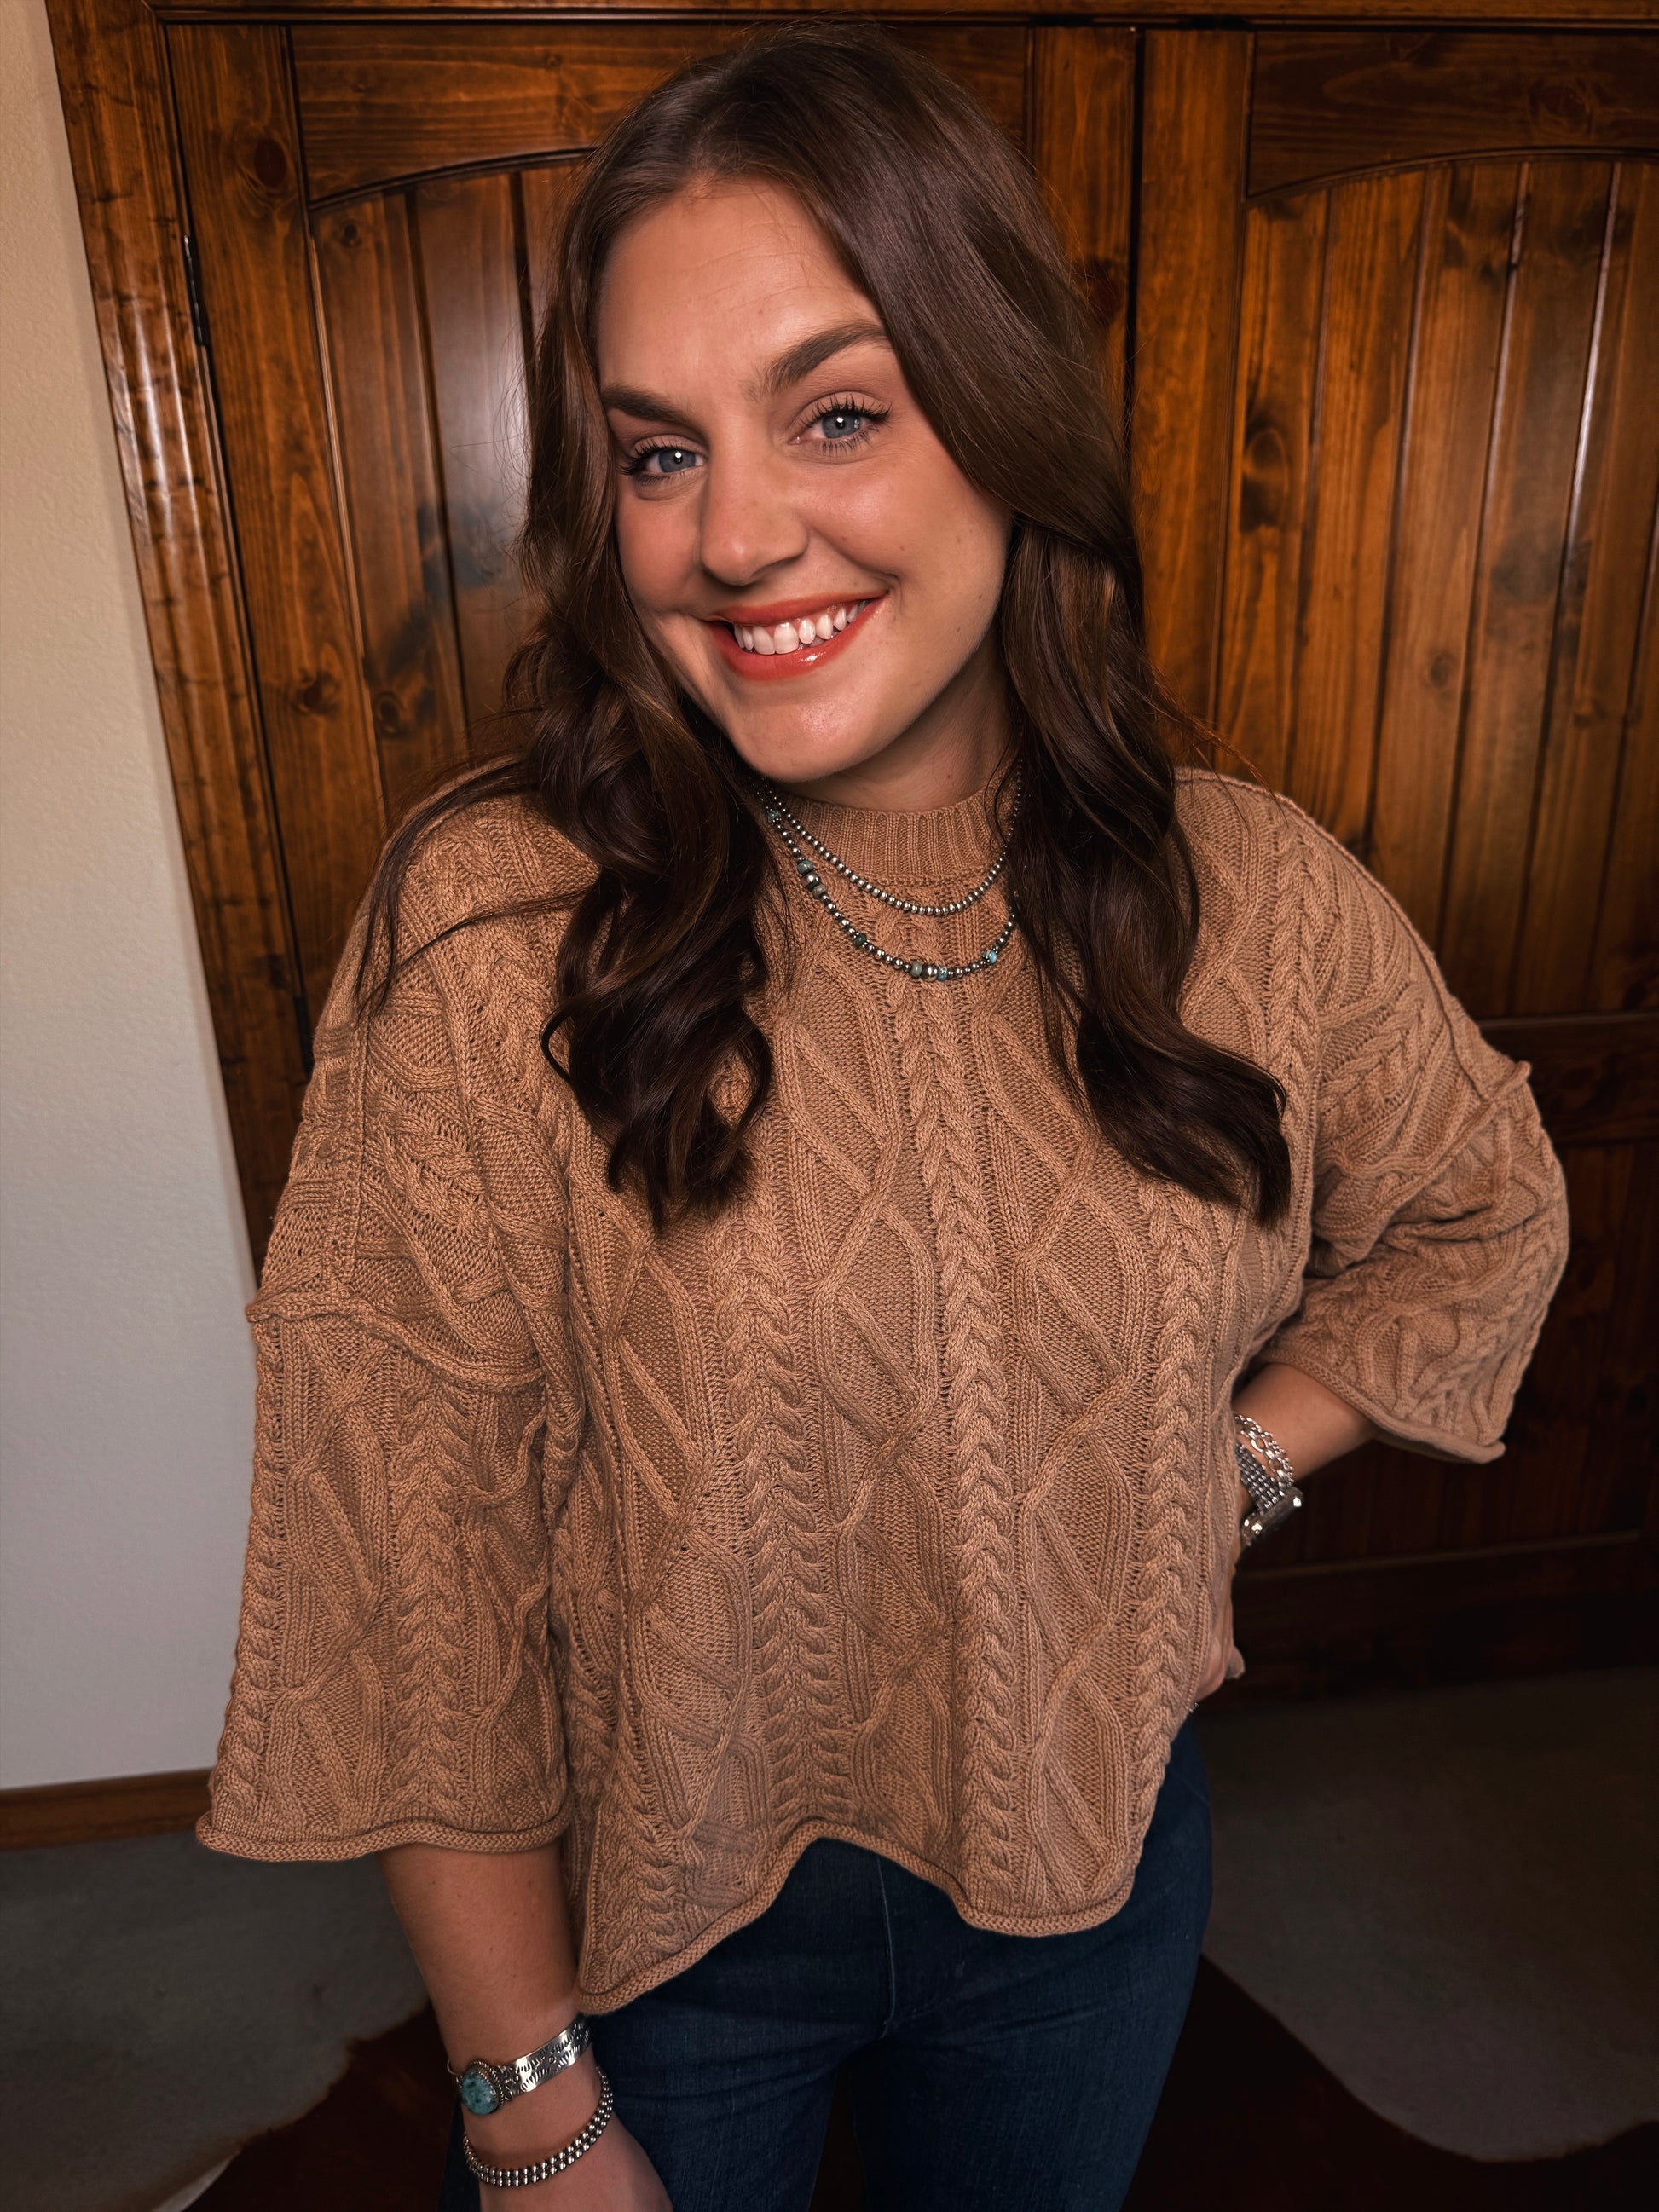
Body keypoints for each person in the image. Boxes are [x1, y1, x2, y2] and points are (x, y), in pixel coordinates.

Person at [198, 24, 1569, 2212]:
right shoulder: (493, 935)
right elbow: (413, 1569)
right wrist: (532, 2110)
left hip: (1097, 1872)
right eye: (658, 453)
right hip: (665, 1937)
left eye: (835, 411)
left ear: (1008, 419)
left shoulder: (1250, 893)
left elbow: (1483, 1208)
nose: (734, 536)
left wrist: (1225, 1464)